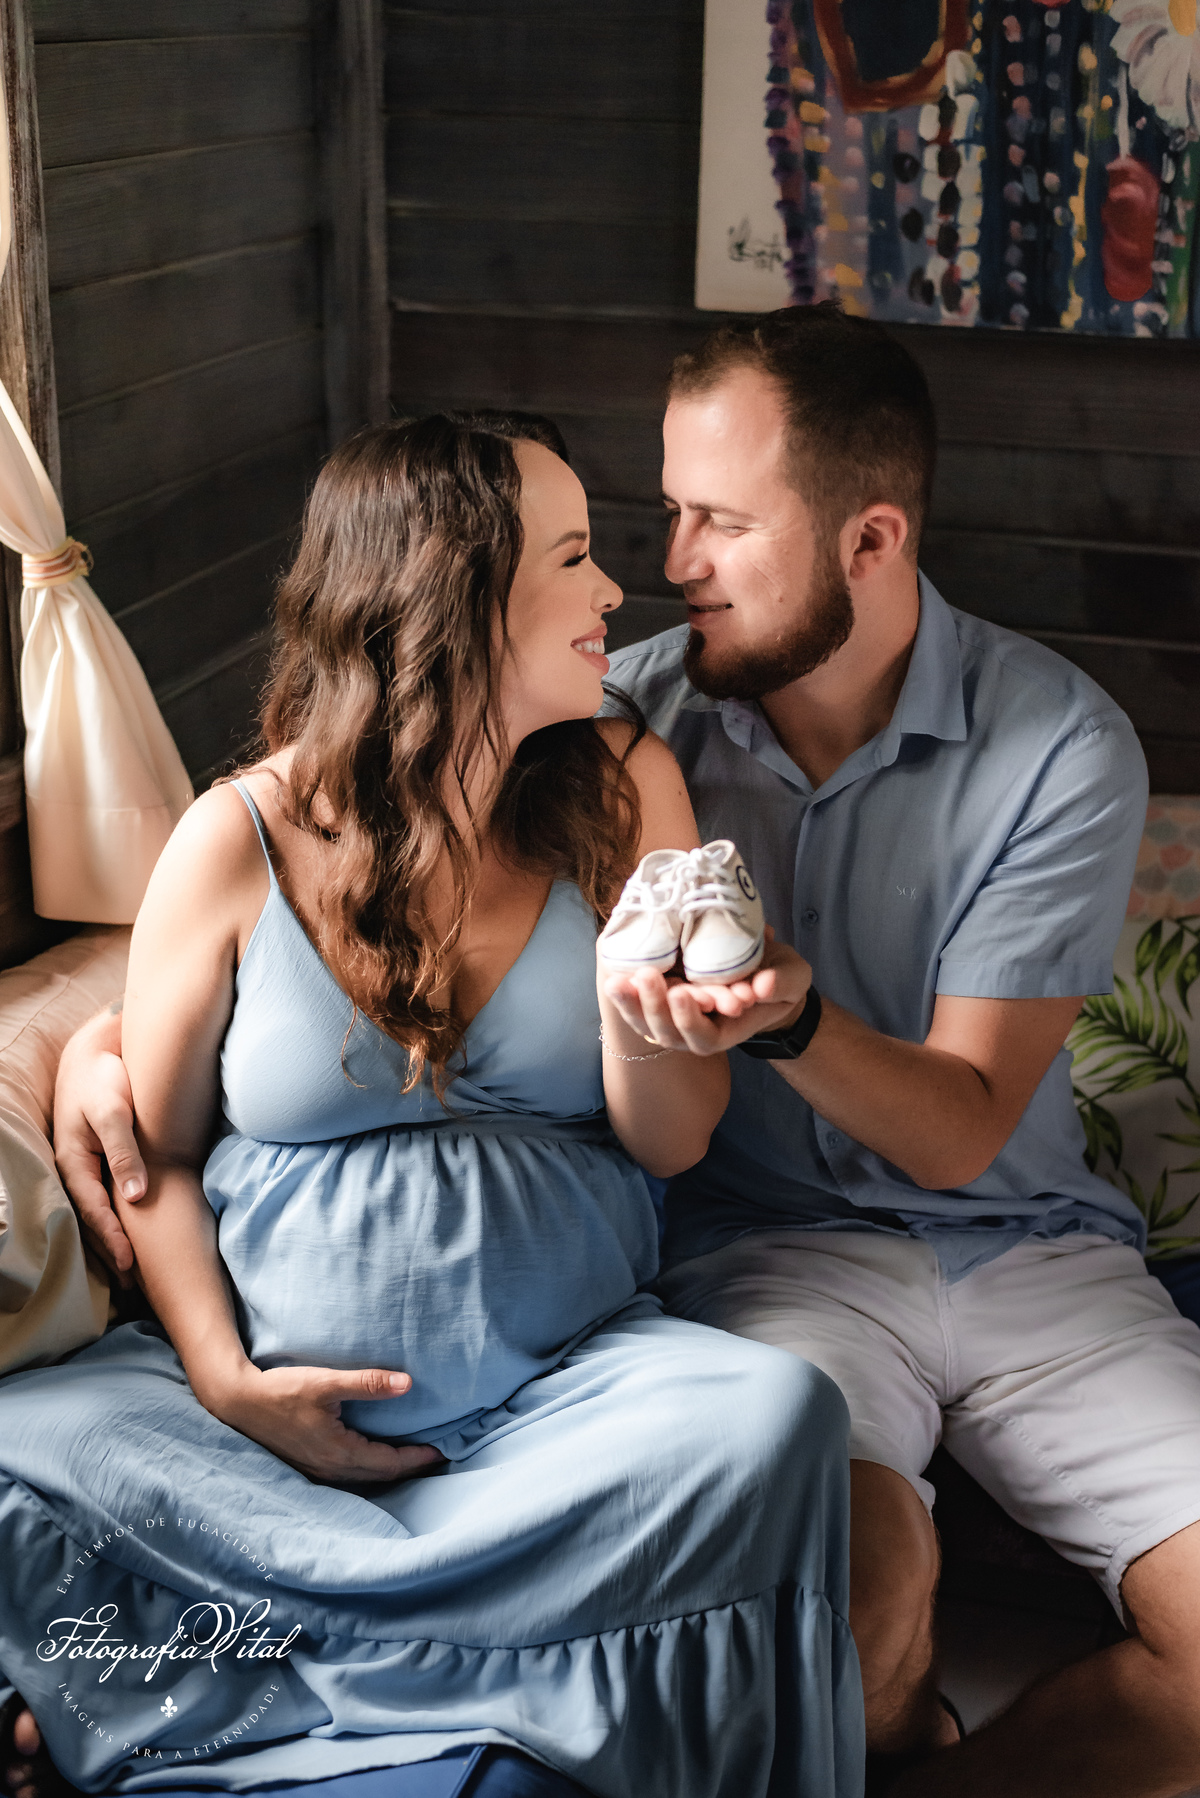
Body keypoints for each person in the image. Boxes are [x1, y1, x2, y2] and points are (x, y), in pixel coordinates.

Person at [53, 308, 1200, 1797]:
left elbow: (959, 1131)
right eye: (655, 518)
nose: (669, 565)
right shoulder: (616, 719)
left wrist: (778, 1013)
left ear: (869, 539)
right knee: (840, 1620)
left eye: (718, 521)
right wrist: (101, 1041)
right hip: (773, 1246)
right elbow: (299, 928)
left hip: (1029, 1245)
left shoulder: (1055, 743)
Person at [0, 412, 863, 1798]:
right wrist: (229, 1380)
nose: (610, 596)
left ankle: (295, 1678)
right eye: (574, 560)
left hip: (559, 1405)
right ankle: (439, 1674)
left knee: (775, 1422)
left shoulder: (622, 783)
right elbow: (151, 1153)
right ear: (454, 598)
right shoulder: (240, 838)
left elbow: (673, 1139)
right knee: (29, 1455)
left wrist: (649, 1023)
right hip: (264, 1423)